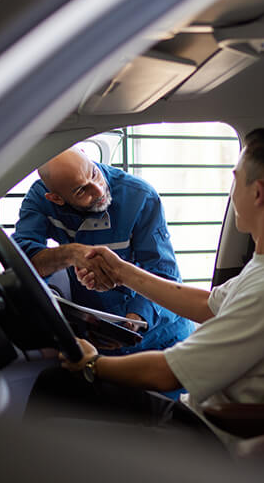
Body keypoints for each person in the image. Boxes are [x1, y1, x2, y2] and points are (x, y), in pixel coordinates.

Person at [30, 125, 264, 448]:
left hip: (205, 437)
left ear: (258, 193)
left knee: (51, 431)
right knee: (54, 384)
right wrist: (122, 272)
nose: (231, 193)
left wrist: (91, 362)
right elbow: (208, 305)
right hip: (193, 415)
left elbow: (166, 374)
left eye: (234, 179)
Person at [12, 148, 195, 354]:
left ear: (85, 153)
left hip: (160, 337)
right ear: (55, 198)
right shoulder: (40, 199)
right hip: (98, 335)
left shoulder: (140, 196)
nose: (98, 190)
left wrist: (133, 322)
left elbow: (164, 275)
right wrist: (72, 254)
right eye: (81, 191)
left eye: (93, 173)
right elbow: (22, 260)